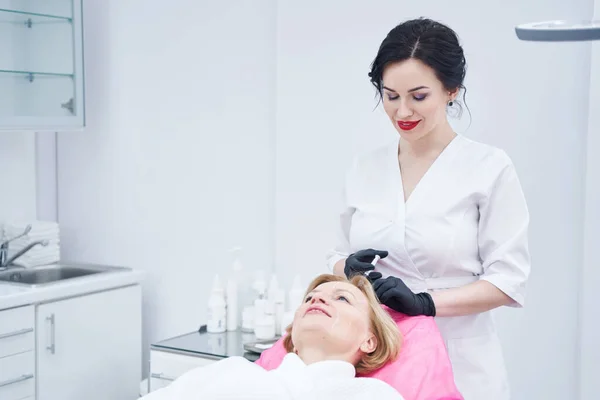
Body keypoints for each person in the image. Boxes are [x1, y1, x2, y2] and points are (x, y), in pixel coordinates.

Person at [327, 17, 531, 400]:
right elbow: (337, 254)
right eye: (390, 96)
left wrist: (426, 304)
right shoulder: (364, 168)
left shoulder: (488, 168)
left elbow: (508, 280)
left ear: (452, 90)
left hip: (460, 362)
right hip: (377, 360)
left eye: (418, 97)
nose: (402, 111)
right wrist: (349, 269)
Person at [141, 274, 406, 400]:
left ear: (369, 341)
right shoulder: (234, 370)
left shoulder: (373, 395)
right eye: (310, 298)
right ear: (293, 339)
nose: (318, 298)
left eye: (342, 298)